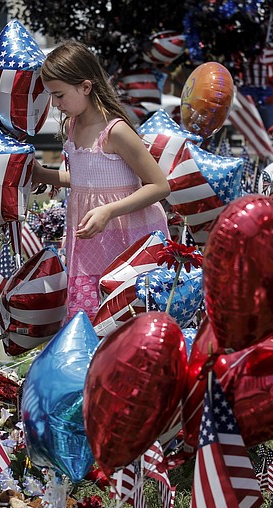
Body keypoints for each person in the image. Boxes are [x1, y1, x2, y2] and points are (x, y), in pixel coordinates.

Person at [31, 41, 171, 321]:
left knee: (127, 313)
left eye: (59, 95)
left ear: (85, 86)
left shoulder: (115, 131)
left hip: (125, 237)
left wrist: (109, 210)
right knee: (91, 317)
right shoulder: (74, 124)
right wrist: (42, 173)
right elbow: (87, 182)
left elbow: (159, 185)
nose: (56, 105)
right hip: (89, 239)